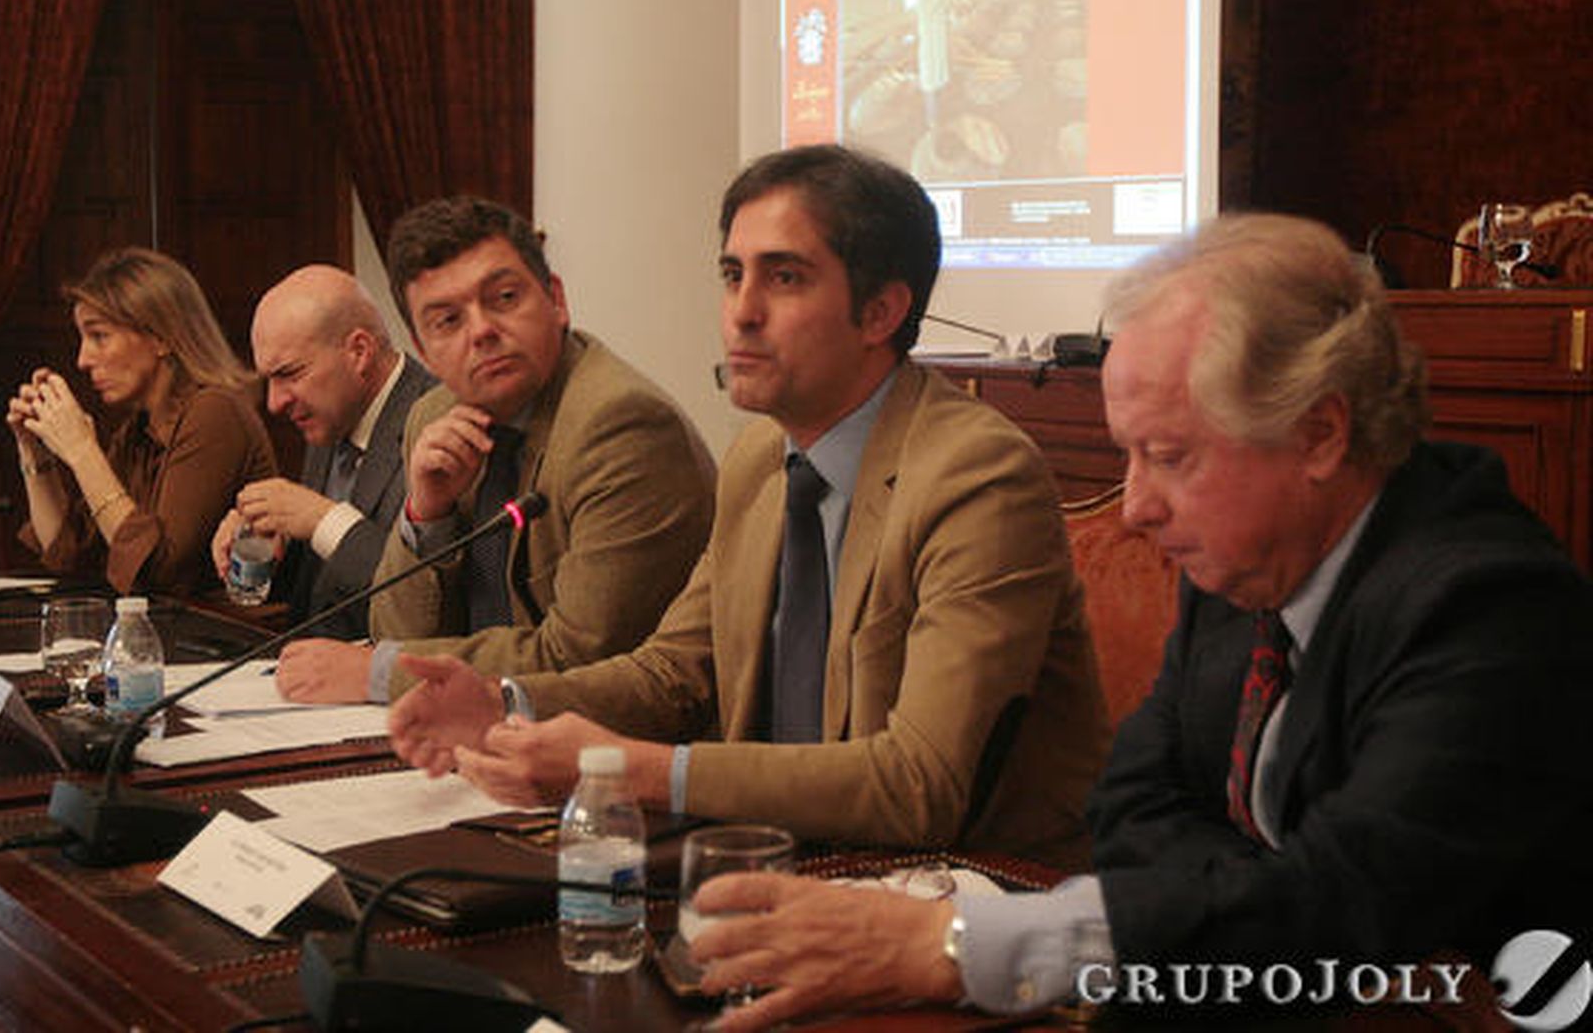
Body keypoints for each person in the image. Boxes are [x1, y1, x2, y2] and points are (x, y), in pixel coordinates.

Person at [681, 213, 1593, 1031]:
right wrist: (1240, 902)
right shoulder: (1244, 561)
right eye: (1130, 458)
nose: (1136, 510)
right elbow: (1130, 805)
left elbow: (1348, 907)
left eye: (1169, 456)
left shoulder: (1489, 609)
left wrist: (961, 943)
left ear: (1319, 434)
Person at [387, 145, 1109, 865]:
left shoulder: (978, 474)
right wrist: (506, 704)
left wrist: (639, 772)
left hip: (969, 890)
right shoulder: (760, 458)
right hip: (781, 860)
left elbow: (918, 783)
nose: (742, 313)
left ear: (881, 310)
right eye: (733, 275)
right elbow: (672, 672)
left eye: (785, 278)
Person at [276, 196, 716, 703]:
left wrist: (381, 674)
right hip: (483, 730)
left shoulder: (621, 426)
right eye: (447, 321)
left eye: (504, 298)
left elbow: (579, 658)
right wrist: (425, 515)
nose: (482, 330)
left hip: (606, 744)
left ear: (556, 300)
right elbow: (397, 631)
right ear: (423, 351)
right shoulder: (433, 417)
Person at [8, 247, 276, 596]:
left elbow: (158, 571)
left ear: (162, 337)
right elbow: (70, 556)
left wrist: (81, 451)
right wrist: (34, 450)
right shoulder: (138, 430)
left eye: (99, 336)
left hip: (232, 638)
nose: (82, 360)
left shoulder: (216, 412)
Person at [210, 265, 435, 640]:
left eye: (290, 374)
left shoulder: (435, 420)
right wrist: (266, 546)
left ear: (359, 351)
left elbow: (428, 597)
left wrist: (322, 520)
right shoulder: (332, 418)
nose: (274, 403)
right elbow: (324, 595)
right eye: (269, 380)